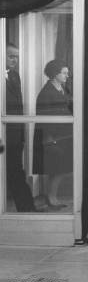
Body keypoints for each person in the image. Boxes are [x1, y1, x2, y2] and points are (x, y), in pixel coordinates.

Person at [33, 60, 73, 211]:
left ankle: (52, 196)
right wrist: (49, 138)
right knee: (56, 168)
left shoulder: (63, 88)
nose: (67, 76)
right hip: (52, 136)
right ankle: (51, 197)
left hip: (63, 135)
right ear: (55, 74)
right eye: (64, 73)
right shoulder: (46, 92)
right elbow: (43, 117)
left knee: (60, 168)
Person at [5, 43, 37, 212]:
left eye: (17, 57)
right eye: (11, 56)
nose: (15, 60)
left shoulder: (15, 76)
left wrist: (22, 135)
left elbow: (19, 107)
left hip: (14, 136)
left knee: (16, 172)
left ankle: (27, 210)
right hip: (2, 136)